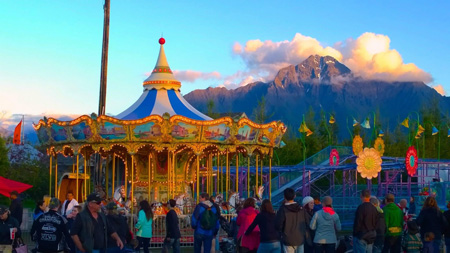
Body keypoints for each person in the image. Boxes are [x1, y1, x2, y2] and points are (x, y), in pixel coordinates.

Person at [275, 188, 309, 253]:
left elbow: (278, 225)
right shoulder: (301, 209)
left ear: (284, 197)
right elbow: (307, 222)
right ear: (294, 196)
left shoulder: (283, 209)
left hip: (288, 239)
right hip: (300, 238)